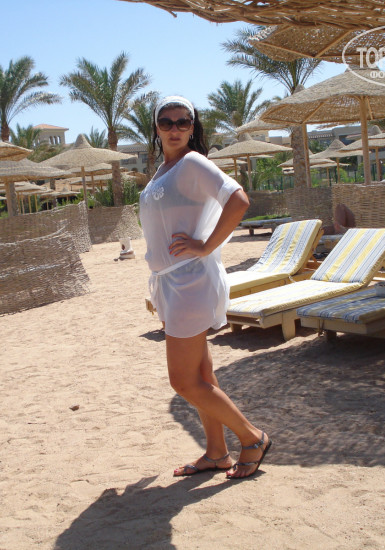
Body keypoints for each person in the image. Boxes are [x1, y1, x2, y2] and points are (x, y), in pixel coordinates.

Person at [139, 96, 271, 479]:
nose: (175, 128)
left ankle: (252, 438)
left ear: (193, 127)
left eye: (183, 122)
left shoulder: (193, 162)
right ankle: (216, 453)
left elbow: (238, 200)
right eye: (166, 122)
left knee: (183, 381)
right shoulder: (163, 170)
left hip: (190, 282)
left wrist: (206, 246)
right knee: (202, 375)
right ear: (156, 127)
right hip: (173, 282)